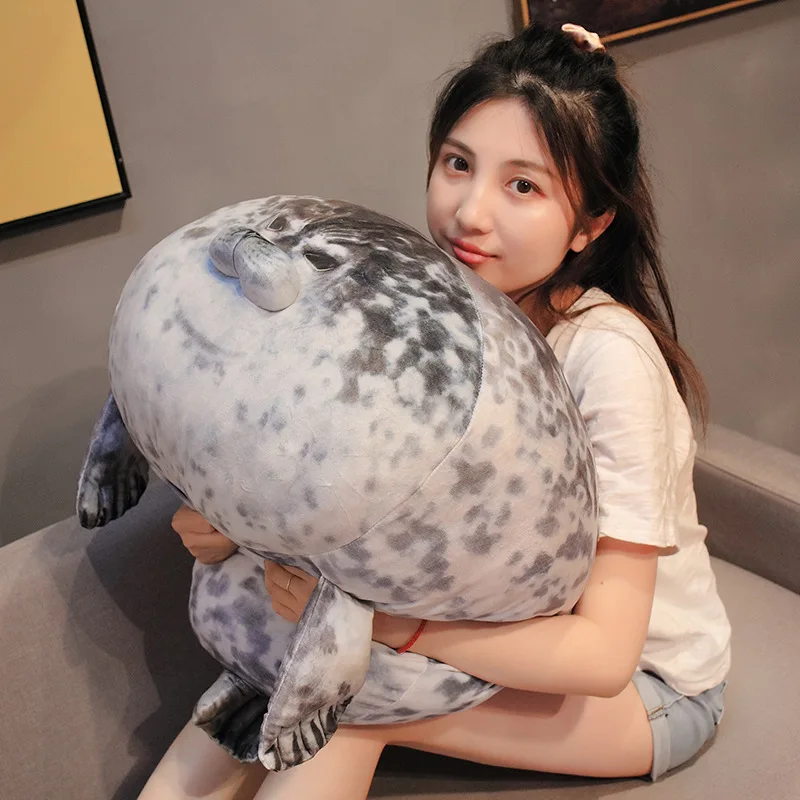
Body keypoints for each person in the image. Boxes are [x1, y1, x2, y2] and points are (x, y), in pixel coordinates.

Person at [139, 21, 731, 800]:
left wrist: (383, 628)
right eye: (458, 164)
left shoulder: (608, 358)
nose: (470, 212)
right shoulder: (426, 317)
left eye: (523, 186)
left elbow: (603, 655)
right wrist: (229, 528)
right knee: (278, 667)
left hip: (648, 688)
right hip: (482, 634)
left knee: (340, 700)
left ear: (590, 224)